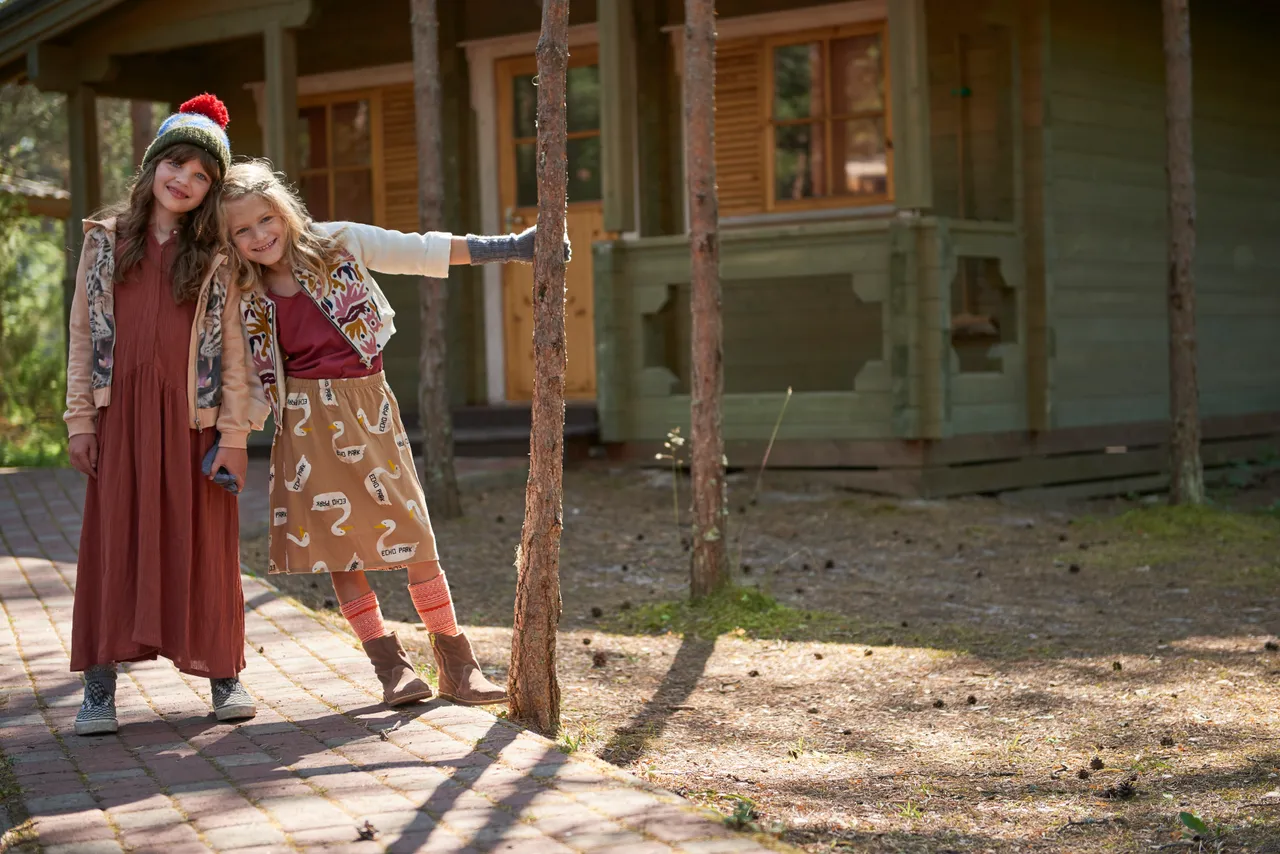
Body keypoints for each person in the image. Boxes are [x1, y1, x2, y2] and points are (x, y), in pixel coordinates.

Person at [221, 159, 566, 707]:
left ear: (283, 212)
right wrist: (230, 438)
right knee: (338, 550)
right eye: (242, 230)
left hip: (368, 407)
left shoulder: (340, 244)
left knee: (413, 532)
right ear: (229, 240)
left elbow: (420, 250)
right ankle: (391, 669)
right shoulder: (244, 295)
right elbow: (246, 378)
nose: (259, 236)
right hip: (304, 422)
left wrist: (511, 248)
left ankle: (458, 664)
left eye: (266, 220)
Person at [66, 94, 263, 735]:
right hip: (119, 416)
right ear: (153, 166)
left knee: (205, 543)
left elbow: (235, 352)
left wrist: (234, 435)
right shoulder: (104, 243)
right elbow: (80, 338)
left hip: (194, 422)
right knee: (111, 542)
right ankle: (99, 690)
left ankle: (224, 678)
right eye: (176, 165)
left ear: (211, 191)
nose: (185, 180)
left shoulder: (216, 258)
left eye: (202, 175)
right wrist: (80, 421)